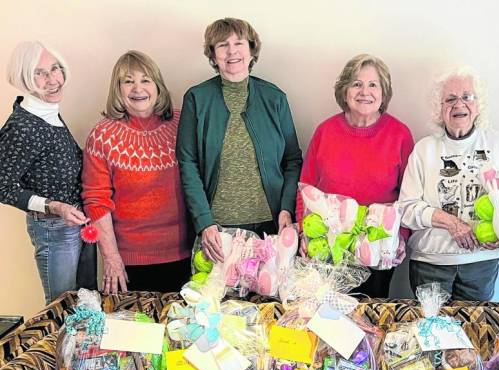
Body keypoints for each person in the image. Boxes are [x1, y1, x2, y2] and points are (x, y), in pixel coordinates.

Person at [177, 17, 302, 264]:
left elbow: (292, 159)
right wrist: (204, 222)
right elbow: (187, 164)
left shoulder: (274, 98)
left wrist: (287, 208)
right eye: (222, 45)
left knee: (267, 301)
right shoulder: (196, 99)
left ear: (251, 49)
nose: (232, 51)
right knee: (219, 300)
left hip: (270, 226)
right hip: (217, 231)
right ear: (213, 55)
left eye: (239, 43)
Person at [296, 54, 414, 298]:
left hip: (377, 247)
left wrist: (401, 237)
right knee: (328, 321)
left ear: (384, 93)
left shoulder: (399, 135)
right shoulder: (325, 131)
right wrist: (303, 233)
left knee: (371, 320)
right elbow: (305, 187)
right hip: (327, 246)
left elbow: (409, 196)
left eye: (373, 85)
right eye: (357, 84)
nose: (364, 92)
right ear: (345, 90)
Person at [399, 67, 499, 301]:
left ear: (478, 104)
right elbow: (406, 209)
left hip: (481, 262)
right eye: (450, 99)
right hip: (430, 262)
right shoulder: (425, 149)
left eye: (467, 96)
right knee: (431, 333)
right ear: (439, 108)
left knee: (475, 332)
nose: (459, 104)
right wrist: (451, 223)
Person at [82, 51, 191, 294]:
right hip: (130, 262)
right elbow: (96, 201)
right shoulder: (102, 135)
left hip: (186, 255)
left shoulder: (183, 122)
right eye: (128, 81)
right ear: (117, 89)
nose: (137, 88)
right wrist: (111, 258)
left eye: (145, 80)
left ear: (157, 85)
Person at [0, 41, 96, 304]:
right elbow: (3, 186)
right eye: (39, 73)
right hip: (55, 228)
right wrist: (54, 206)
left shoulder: (49, 112)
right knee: (62, 308)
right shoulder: (22, 125)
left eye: (55, 69)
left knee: (86, 304)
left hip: (77, 221)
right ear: (24, 79)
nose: (52, 80)